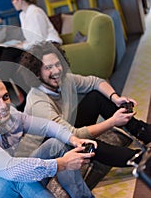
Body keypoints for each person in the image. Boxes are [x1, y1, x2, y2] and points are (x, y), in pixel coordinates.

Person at [0, 74, 97, 197]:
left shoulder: (10, 115)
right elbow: (11, 170)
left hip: (8, 179)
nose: (3, 106)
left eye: (5, 97)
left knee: (56, 145)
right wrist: (61, 164)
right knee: (17, 178)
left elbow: (46, 126)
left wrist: (73, 139)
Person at [17, 41, 150, 166]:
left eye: (58, 64)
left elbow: (95, 82)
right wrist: (113, 122)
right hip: (47, 149)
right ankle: (141, 160)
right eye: (48, 67)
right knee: (87, 144)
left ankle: (143, 132)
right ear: (37, 73)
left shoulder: (64, 80)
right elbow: (73, 136)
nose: (56, 70)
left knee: (96, 97)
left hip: (66, 127)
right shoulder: (38, 103)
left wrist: (115, 98)